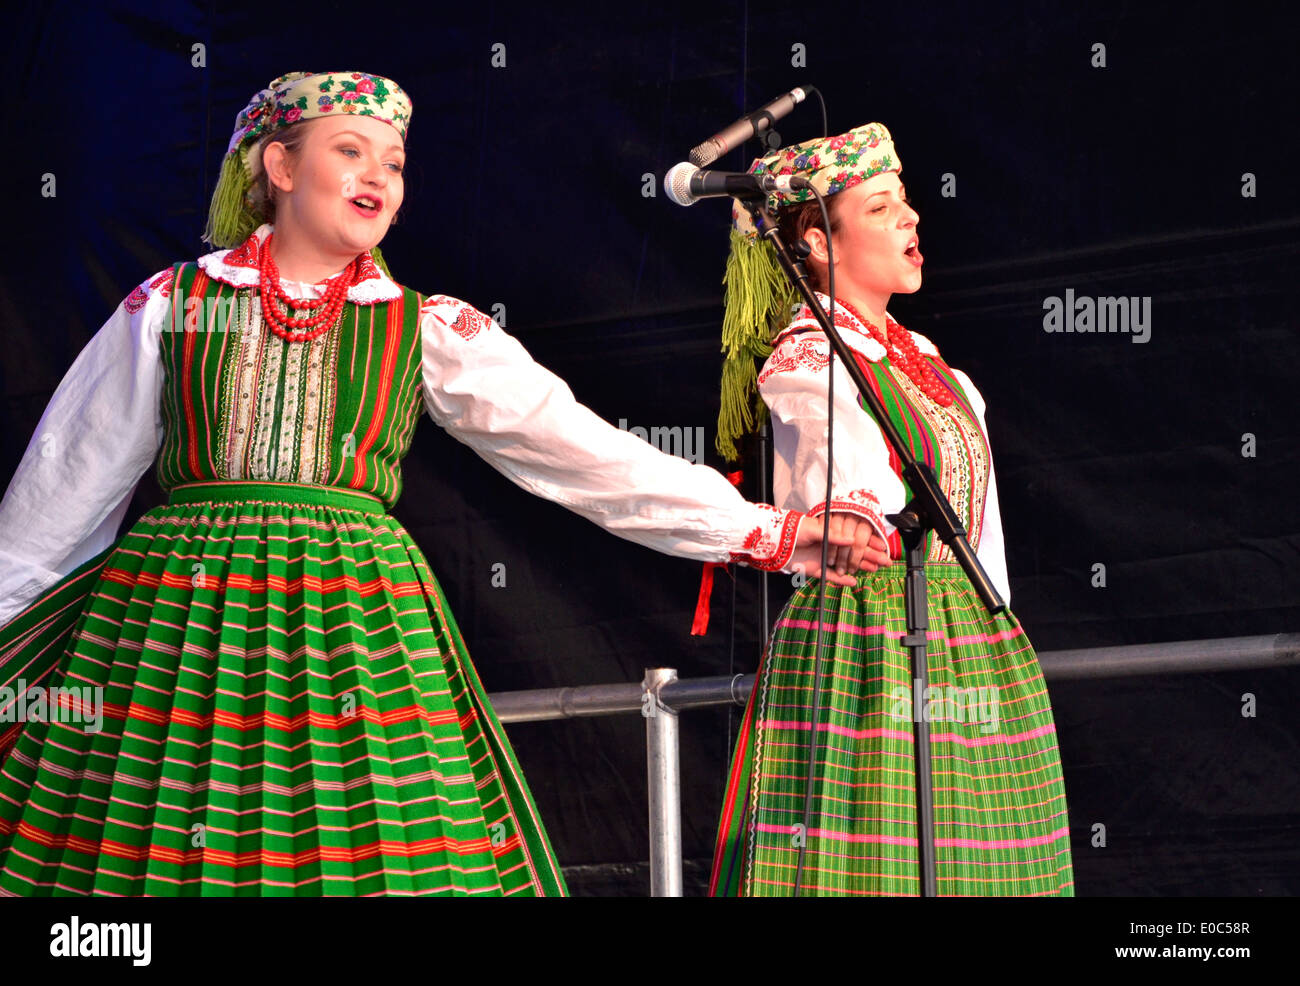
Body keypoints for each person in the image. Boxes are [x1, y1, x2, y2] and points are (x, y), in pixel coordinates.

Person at [0, 70, 865, 897]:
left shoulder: (424, 325)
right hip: (183, 635)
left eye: (396, 162)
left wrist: (768, 531)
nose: (380, 175)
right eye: (351, 151)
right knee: (172, 846)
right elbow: (63, 484)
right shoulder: (173, 306)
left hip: (355, 629)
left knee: (366, 846)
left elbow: (585, 455)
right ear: (280, 165)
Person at [707, 122, 1075, 896]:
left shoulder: (932, 365)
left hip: (963, 631)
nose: (909, 218)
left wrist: (996, 625)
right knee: (884, 862)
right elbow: (853, 508)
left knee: (979, 857)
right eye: (880, 208)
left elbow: (984, 531)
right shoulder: (808, 360)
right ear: (816, 244)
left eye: (904, 202)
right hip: (871, 636)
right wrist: (866, 522)